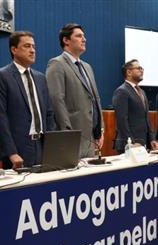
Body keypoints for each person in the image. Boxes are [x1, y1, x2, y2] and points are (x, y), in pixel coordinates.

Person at [0, 31, 55, 169]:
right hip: (18, 148)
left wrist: (51, 147)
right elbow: (0, 117)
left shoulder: (40, 78)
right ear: (14, 49)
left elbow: (49, 113)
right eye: (27, 46)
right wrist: (11, 152)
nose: (32, 50)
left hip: (41, 146)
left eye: (33, 47)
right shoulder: (1, 76)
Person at [46, 23, 104, 158]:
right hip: (73, 136)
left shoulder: (87, 67)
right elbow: (56, 100)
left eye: (84, 36)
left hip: (91, 137)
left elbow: (96, 100)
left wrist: (99, 129)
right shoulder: (57, 63)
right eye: (79, 36)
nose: (84, 39)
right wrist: (68, 134)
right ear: (66, 40)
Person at [112, 59, 158, 153]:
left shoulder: (142, 92)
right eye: (139, 68)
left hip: (143, 142)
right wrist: (131, 142)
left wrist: (152, 138)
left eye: (142, 68)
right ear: (129, 72)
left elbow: (146, 118)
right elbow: (122, 119)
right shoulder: (122, 91)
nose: (142, 70)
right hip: (130, 144)